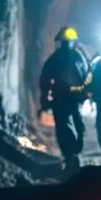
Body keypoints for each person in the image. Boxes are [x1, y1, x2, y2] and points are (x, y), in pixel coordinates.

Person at [39, 26, 91, 173]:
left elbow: (45, 79)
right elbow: (87, 76)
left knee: (63, 126)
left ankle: (70, 156)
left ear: (60, 41)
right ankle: (75, 150)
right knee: (76, 122)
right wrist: (86, 94)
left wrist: (45, 100)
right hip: (74, 97)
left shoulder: (55, 58)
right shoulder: (79, 56)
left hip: (61, 97)